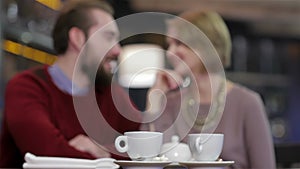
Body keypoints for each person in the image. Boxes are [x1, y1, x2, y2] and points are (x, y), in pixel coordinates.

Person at [0, 0, 141, 167]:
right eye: (108, 37)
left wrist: (102, 151)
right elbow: (47, 154)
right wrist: (112, 156)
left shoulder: (110, 92)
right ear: (78, 38)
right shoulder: (26, 87)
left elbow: (144, 146)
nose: (117, 50)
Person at [142, 10, 276, 168]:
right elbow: (146, 160)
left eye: (179, 43)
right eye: (169, 44)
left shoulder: (247, 103)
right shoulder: (170, 101)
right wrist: (154, 102)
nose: (170, 53)